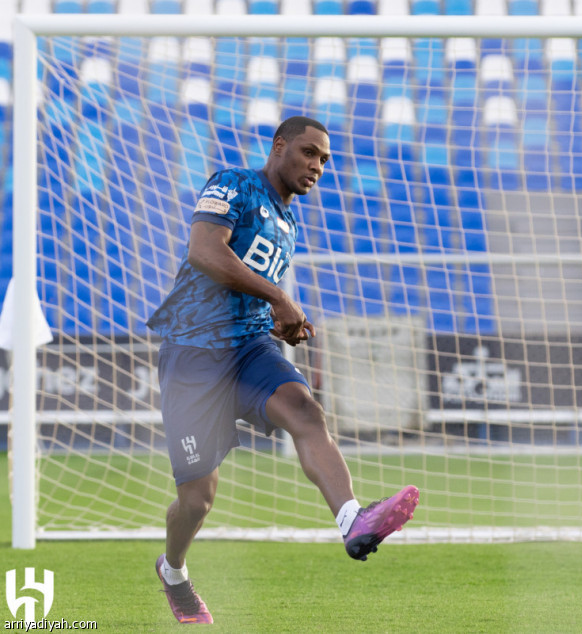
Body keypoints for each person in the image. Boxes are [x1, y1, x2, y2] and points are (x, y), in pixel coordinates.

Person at [147, 116, 419, 625]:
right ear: (279, 147)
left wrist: (281, 322)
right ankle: (174, 571)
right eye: (308, 152)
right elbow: (205, 252)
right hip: (192, 355)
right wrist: (278, 297)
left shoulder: (288, 224)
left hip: (248, 349)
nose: (317, 166)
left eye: (325, 160)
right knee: (197, 501)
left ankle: (353, 521)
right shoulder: (235, 184)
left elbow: (249, 294)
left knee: (306, 411)